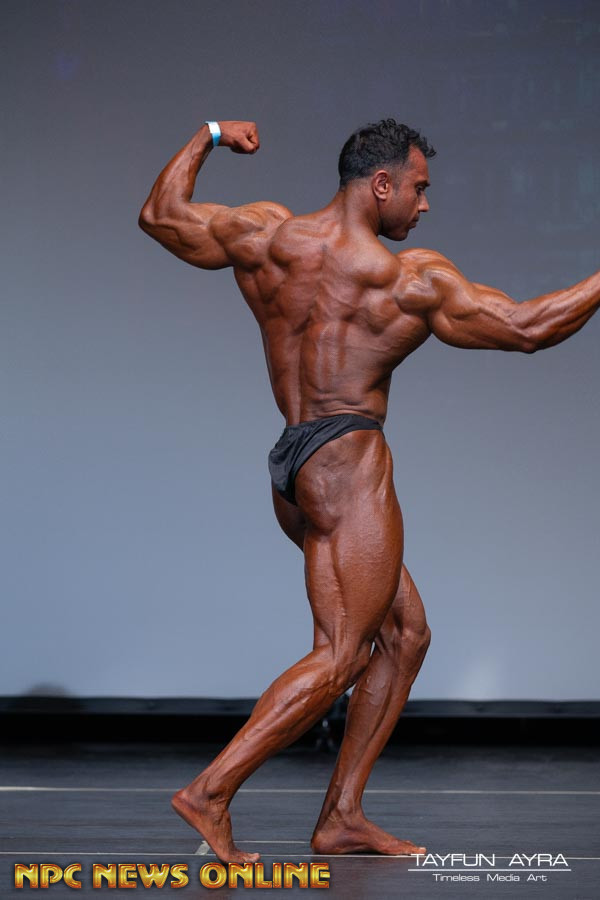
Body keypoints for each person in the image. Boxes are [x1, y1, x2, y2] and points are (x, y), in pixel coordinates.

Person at [139, 118, 599, 863]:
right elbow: (527, 327)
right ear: (381, 184)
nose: (425, 205)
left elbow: (161, 215)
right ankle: (212, 791)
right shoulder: (406, 280)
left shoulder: (267, 236)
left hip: (294, 463)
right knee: (341, 655)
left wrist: (211, 134)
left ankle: (342, 815)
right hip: (347, 466)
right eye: (419, 188)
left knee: (405, 634)